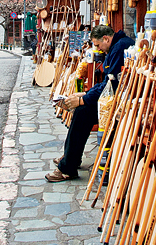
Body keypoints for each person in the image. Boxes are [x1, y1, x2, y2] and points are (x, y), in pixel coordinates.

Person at [46, 25, 133, 182]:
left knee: (82, 112)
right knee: (81, 111)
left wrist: (83, 99)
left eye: (98, 45)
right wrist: (85, 94)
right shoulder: (117, 46)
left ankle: (68, 167)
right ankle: (70, 159)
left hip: (120, 100)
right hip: (114, 96)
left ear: (106, 39)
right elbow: (108, 82)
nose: (98, 50)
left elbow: (111, 84)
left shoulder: (119, 47)